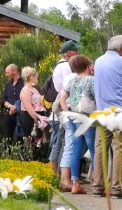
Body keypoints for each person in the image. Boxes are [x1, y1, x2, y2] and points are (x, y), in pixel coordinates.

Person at [92, 35, 122, 198]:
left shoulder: (98, 61)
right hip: (119, 111)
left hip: (101, 111)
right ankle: (118, 188)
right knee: (119, 148)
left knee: (100, 148)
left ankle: (98, 186)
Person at [56, 55, 95, 194]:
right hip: (88, 118)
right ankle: (98, 183)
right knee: (93, 150)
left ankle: (75, 183)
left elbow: (62, 99)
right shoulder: (91, 80)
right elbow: (97, 99)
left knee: (76, 150)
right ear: (88, 66)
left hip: (73, 118)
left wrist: (68, 113)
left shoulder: (72, 81)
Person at [48, 40, 80, 173]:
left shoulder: (58, 66)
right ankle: (59, 173)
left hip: (59, 107)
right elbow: (70, 86)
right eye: (75, 51)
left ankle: (55, 172)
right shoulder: (67, 66)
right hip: (65, 106)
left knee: (59, 142)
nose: (77, 53)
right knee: (63, 143)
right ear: (68, 53)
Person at [18, 67, 47, 147]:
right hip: (30, 117)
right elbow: (28, 107)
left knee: (39, 140)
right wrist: (37, 120)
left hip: (39, 116)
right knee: (31, 140)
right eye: (36, 77)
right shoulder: (25, 90)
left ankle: (37, 157)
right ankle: (30, 158)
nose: (37, 79)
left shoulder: (34, 89)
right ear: (31, 77)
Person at [1, 64, 24, 139]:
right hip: (10, 114)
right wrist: (10, 106)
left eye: (7, 72)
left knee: (21, 138)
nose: (6, 75)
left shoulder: (24, 83)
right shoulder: (8, 85)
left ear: (14, 71)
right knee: (8, 138)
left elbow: (26, 98)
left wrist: (16, 107)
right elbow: (3, 99)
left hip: (22, 115)